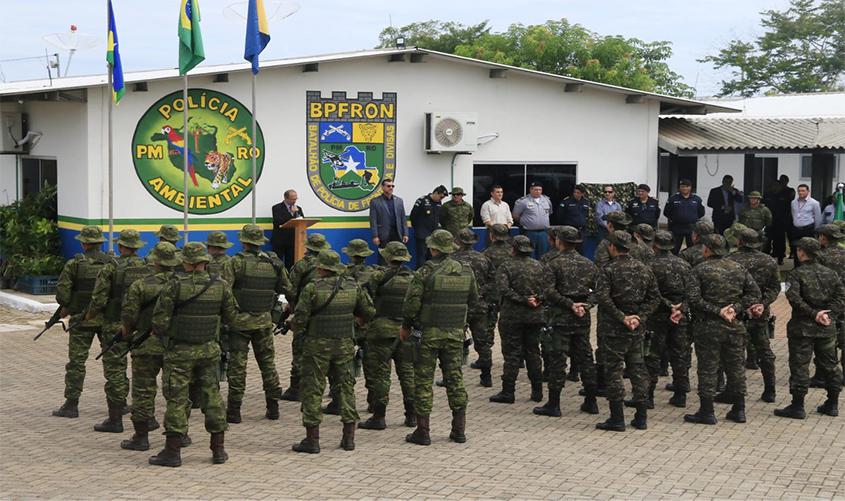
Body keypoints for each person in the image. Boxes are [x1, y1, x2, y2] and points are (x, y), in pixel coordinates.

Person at [149, 242, 237, 467]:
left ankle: (172, 452)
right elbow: (231, 317)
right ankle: (218, 449)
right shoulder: (221, 285)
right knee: (212, 397)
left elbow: (159, 322)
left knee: (177, 399)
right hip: (209, 351)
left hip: (180, 352)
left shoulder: (174, 285)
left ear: (186, 262)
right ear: (204, 261)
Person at [291, 250, 375, 454]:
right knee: (346, 388)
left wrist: (297, 327)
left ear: (321, 268)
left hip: (317, 346)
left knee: (313, 389)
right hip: (344, 344)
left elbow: (300, 318)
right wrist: (354, 323)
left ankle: (312, 440)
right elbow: (369, 311)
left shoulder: (312, 288)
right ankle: (348, 438)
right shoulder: (353, 286)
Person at [401, 229, 479, 446]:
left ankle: (423, 432)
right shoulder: (466, 271)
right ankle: (459, 430)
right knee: (455, 379)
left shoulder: (425, 272)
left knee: (423, 381)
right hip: (454, 335)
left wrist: (406, 326)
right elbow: (474, 300)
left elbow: (411, 305)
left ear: (434, 248)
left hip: (428, 335)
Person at [684, 234, 761, 426]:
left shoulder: (699, 270)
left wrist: (717, 311)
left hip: (708, 327)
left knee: (708, 368)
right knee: (736, 367)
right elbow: (754, 293)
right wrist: (735, 308)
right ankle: (739, 409)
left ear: (707, 249)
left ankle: (707, 411)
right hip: (734, 326)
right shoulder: (738, 268)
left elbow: (693, 299)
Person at [86, 229, 152, 433]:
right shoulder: (148, 267)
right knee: (144, 373)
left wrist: (90, 314)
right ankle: (147, 417)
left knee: (115, 370)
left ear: (121, 246)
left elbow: (99, 298)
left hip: (116, 325)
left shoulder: (111, 268)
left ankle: (115, 418)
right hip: (142, 328)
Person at [594, 231, 660, 432]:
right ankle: (641, 417)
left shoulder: (608, 270)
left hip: (614, 329)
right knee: (638, 369)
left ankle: (617, 418)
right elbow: (654, 298)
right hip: (636, 329)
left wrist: (622, 317)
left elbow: (603, 298)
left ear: (612, 247)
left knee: (614, 371)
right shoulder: (644, 269)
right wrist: (639, 316)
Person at [225, 224, 291, 424]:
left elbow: (224, 291)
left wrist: (229, 315)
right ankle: (273, 407)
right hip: (264, 322)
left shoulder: (235, 262)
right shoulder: (274, 264)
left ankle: (234, 411)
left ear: (244, 241)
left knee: (237, 367)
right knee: (268, 365)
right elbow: (287, 289)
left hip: (240, 323)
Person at [118, 242, 181, 451]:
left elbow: (129, 316)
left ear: (155, 261)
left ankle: (141, 437)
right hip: (175, 346)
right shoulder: (183, 284)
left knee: (143, 391)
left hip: (146, 345)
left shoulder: (140, 285)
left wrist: (128, 333)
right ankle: (179, 435)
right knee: (176, 393)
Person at [775, 237, 844, 419]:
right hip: (826, 327)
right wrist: (828, 315)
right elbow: (840, 297)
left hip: (802, 328)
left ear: (802, 252)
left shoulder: (796, 274)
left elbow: (794, 299)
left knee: (800, 365)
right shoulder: (831, 274)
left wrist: (814, 314)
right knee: (830, 366)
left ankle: (798, 406)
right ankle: (832, 404)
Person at [51, 226, 116, 420]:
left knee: (77, 363)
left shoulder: (74, 264)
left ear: (84, 243)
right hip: (108, 319)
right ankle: (118, 405)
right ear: (100, 243)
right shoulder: (112, 263)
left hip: (81, 321)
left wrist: (69, 305)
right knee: (113, 363)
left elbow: (63, 295)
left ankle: (71, 405)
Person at [537, 226, 600, 417]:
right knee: (586, 358)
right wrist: (586, 306)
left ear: (559, 241)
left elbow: (548, 291)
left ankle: (554, 404)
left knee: (558, 359)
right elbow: (599, 291)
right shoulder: (588, 264)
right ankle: (591, 401)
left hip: (560, 317)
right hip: (581, 317)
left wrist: (569, 304)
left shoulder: (554, 264)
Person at [358, 242, 417, 430]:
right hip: (405, 332)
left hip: (381, 332)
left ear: (387, 257)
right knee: (407, 373)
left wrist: (366, 320)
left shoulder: (378, 276)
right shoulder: (414, 278)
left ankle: (379, 417)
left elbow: (365, 300)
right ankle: (412, 416)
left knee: (381, 374)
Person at [489, 235, 547, 404]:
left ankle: (508, 392)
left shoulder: (506, 266)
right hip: (535, 316)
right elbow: (548, 288)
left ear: (513, 249)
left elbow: (503, 289)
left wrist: (523, 299)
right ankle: (537, 392)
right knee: (533, 353)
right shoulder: (539, 266)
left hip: (512, 317)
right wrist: (536, 299)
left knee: (512, 355)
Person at [324, 239, 377, 415]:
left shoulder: (344, 274)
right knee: (371, 365)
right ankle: (374, 401)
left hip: (347, 324)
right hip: (369, 324)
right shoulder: (375, 273)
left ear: (350, 254)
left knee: (339, 364)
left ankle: (338, 400)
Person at [727, 229, 781, 403]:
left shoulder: (730, 260)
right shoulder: (769, 261)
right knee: (764, 351)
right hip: (760, 313)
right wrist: (762, 304)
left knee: (733, 352)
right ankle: (770, 390)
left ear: (740, 241)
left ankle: (731, 390)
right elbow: (775, 287)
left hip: (736, 313)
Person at [645, 231, 694, 408]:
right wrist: (680, 308)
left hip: (656, 316)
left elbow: (649, 293)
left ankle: (648, 396)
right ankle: (680, 395)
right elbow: (692, 291)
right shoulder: (684, 265)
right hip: (680, 317)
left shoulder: (649, 265)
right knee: (680, 354)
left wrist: (668, 306)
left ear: (654, 245)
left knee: (652, 356)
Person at [280, 233, 331, 402]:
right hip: (328, 313)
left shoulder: (302, 265)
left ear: (308, 248)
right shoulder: (333, 264)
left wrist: (292, 307)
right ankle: (335, 389)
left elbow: (291, 289)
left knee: (300, 350)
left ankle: (296, 388)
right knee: (329, 350)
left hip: (305, 313)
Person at [452, 228, 495, 387]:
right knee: (482, 343)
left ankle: (452, 378)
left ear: (458, 241)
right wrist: (480, 293)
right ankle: (486, 377)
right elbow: (493, 281)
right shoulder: (483, 259)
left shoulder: (452, 260)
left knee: (453, 344)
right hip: (479, 306)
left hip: (458, 307)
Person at [813, 224, 845, 389]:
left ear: (824, 237)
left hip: (828, 303)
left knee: (825, 340)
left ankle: (823, 375)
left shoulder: (821, 256)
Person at [410, 185, 448, 268]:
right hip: (422, 236)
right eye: (441, 197)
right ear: (435, 193)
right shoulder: (422, 201)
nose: (441, 199)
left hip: (433, 236)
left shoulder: (438, 203)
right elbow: (413, 216)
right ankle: (420, 274)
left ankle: (430, 273)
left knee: (432, 258)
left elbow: (438, 218)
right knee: (421, 257)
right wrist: (419, 229)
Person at [512, 182, 553, 259]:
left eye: (540, 190)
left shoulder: (546, 200)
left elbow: (549, 213)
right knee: (530, 254)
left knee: (544, 254)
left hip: (543, 232)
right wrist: (525, 222)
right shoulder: (523, 201)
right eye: (535, 190)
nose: (538, 191)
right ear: (530, 190)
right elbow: (515, 215)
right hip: (529, 232)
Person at [664, 179, 705, 254]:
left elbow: (701, 212)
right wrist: (676, 219)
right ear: (679, 187)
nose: (684, 188)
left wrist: (692, 218)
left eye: (687, 186)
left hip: (692, 228)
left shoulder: (697, 199)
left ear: (690, 187)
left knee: (692, 249)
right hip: (677, 227)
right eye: (682, 186)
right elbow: (666, 212)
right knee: (674, 248)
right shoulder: (673, 199)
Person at [369, 178, 408, 255]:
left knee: (397, 256)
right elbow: (373, 220)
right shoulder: (375, 202)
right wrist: (375, 236)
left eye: (392, 186)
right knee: (383, 257)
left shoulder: (399, 201)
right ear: (382, 187)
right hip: (383, 234)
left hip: (397, 233)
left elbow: (403, 218)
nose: (391, 188)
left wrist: (405, 234)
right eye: (388, 186)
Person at [764, 176, 794, 264]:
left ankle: (780, 257)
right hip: (769, 222)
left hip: (781, 222)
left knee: (780, 240)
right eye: (773, 185)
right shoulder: (767, 195)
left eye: (777, 186)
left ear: (780, 186)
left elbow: (789, 209)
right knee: (767, 240)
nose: (775, 187)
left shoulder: (785, 195)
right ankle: (766, 258)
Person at [790, 184, 823, 267]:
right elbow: (793, 214)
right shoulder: (793, 202)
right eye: (799, 191)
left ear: (808, 191)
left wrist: (816, 231)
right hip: (796, 229)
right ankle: (797, 267)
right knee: (796, 248)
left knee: (808, 249)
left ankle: (808, 266)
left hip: (808, 229)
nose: (800, 193)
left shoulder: (814, 203)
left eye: (803, 191)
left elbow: (818, 218)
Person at [271, 189, 305, 269]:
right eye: (292, 199)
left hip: (293, 240)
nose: (294, 201)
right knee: (277, 262)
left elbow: (302, 220)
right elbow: (278, 221)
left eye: (296, 199)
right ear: (286, 198)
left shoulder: (298, 208)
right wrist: (292, 214)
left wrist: (296, 215)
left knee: (290, 263)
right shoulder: (277, 207)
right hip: (280, 240)